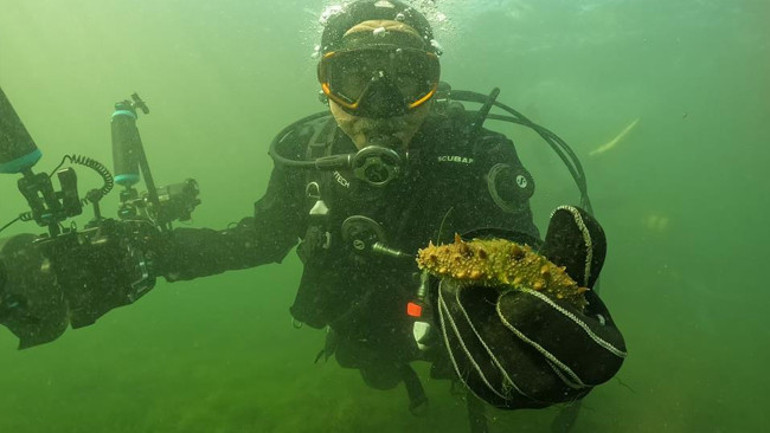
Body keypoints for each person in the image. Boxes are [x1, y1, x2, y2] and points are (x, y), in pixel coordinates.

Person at [0, 1, 626, 431]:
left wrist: (520, 299)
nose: (382, 106)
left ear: (435, 88)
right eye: (352, 78)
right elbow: (258, 238)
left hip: (455, 335)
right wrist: (140, 253)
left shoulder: (478, 149)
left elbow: (503, 234)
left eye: (409, 80)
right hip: (365, 328)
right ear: (325, 88)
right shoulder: (306, 154)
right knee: (375, 372)